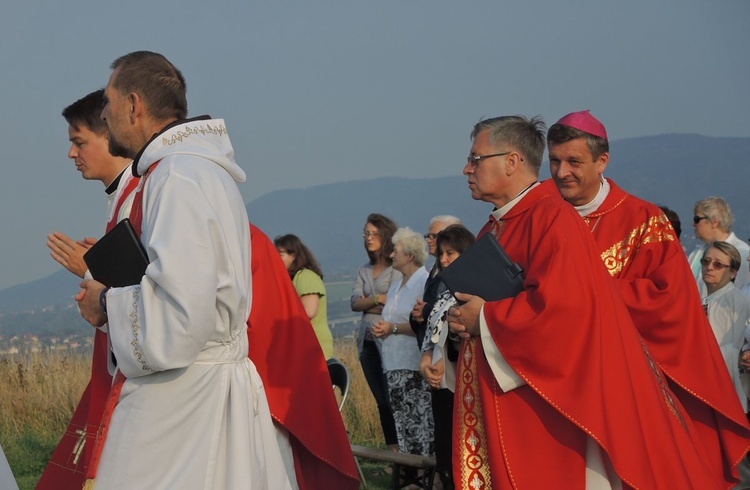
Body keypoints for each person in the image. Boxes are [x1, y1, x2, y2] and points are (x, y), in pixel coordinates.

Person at [447, 114, 726, 488]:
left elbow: (567, 310)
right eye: (556, 161)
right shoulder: (504, 222)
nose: (562, 172)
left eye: (475, 159)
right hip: (536, 386)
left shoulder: (616, 219)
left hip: (600, 380)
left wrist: (595, 292)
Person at [76, 51, 293, 489]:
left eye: (108, 103)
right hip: (205, 385)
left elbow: (178, 315)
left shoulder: (178, 176)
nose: (104, 114)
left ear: (134, 105)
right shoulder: (194, 170)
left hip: (186, 400)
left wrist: (105, 303)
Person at [547, 110, 750, 485]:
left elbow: (671, 301)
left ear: (602, 160)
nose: (561, 173)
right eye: (554, 161)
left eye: (573, 161)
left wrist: (583, 293)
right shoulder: (540, 213)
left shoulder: (645, 221)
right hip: (553, 385)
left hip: (625, 385)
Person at [39, 90, 139, 489]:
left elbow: (149, 294)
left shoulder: (139, 198)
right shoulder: (121, 198)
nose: (72, 154)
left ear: (109, 134)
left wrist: (91, 269)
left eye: (79, 142)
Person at [419, 223, 475, 490]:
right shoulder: (443, 293)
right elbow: (433, 331)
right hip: (440, 385)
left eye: (450, 253)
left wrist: (443, 360)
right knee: (445, 452)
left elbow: (463, 335)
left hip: (464, 385)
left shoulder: (476, 293)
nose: (442, 259)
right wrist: (425, 361)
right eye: (441, 253)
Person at [372, 227, 433, 456]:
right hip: (394, 364)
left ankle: (425, 474)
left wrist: (393, 328)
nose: (391, 255)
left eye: (395, 250)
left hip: (412, 363)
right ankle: (410, 473)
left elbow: (422, 324)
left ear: (409, 255)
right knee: (402, 422)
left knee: (419, 421)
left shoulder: (423, 283)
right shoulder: (397, 284)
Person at [350, 213, 401, 450]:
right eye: (366, 234)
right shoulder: (363, 269)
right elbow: (353, 303)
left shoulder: (396, 269)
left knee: (392, 398)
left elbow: (394, 302)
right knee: (380, 399)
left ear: (385, 235)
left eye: (373, 234)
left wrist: (370, 300)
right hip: (366, 341)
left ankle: (404, 450)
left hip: (388, 339)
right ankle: (392, 450)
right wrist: (378, 298)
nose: (368, 238)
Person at [701, 242, 750, 412]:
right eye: (705, 261)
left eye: (718, 264)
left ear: (733, 273)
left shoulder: (732, 301)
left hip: (721, 393)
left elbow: (728, 351)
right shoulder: (709, 300)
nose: (710, 267)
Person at [274, 234, 334, 359]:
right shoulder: (293, 279)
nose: (275, 259)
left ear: (293, 256)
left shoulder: (305, 276)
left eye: (280, 255)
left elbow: (309, 311)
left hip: (313, 344)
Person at [410, 215, 461, 348]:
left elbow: (452, 308)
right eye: (429, 236)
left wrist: (426, 309)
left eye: (435, 236)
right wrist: (417, 315)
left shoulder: (457, 273)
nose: (430, 241)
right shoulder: (435, 270)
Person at [688, 197, 750, 295]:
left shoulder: (742, 253)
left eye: (697, 219)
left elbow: (742, 292)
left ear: (714, 222)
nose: (693, 224)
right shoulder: (696, 253)